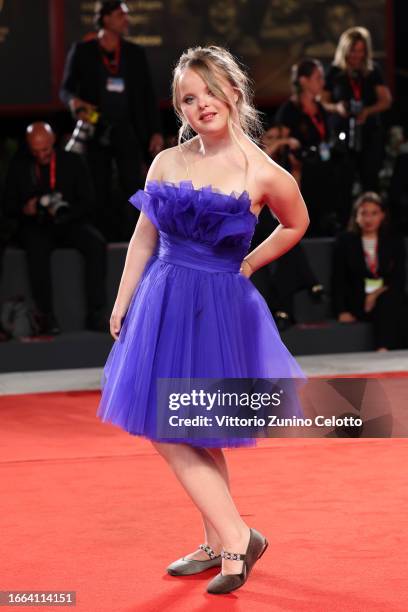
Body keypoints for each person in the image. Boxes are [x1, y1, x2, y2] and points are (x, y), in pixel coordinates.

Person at [96, 46, 309, 595]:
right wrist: (122, 301)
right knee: (185, 427)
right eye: (188, 99)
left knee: (179, 427)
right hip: (162, 301)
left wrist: (250, 262)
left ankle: (238, 537)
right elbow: (144, 237)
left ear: (234, 92)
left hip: (217, 308)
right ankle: (222, 540)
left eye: (210, 91)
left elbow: (296, 222)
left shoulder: (263, 172)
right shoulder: (167, 162)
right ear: (180, 109)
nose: (201, 104)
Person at [60, 0, 163, 241]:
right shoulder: (82, 51)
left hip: (127, 129)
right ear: (105, 18)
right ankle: (103, 238)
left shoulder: (135, 53)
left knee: (133, 184)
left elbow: (148, 96)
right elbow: (65, 91)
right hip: (96, 128)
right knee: (98, 185)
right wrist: (75, 104)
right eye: (120, 15)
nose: (126, 20)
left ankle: (137, 238)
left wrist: (156, 131)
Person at [2, 122, 107, 334]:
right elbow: (8, 205)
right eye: (36, 151)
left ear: (53, 143)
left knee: (96, 244)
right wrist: (27, 208)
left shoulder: (72, 162)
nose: (41, 155)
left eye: (45, 150)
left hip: (69, 222)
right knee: (36, 248)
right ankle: (46, 316)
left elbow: (88, 201)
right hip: (36, 226)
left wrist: (66, 211)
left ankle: (96, 314)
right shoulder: (20, 165)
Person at [322, 27, 392, 214]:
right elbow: (323, 100)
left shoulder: (372, 71)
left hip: (368, 134)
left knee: (370, 180)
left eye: (361, 50)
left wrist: (368, 111)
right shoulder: (335, 72)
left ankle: (373, 221)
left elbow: (386, 101)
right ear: (345, 50)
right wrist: (337, 108)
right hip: (343, 136)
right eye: (353, 50)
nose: (357, 55)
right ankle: (344, 225)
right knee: (343, 183)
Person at [268, 58, 341, 235]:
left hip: (324, 172)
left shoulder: (320, 108)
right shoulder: (289, 110)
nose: (323, 83)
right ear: (303, 81)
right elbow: (274, 146)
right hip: (301, 175)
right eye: (318, 78)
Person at [332, 191, 408, 351]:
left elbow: (399, 278)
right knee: (392, 307)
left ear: (382, 215)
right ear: (356, 216)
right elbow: (338, 279)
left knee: (389, 301)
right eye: (364, 213)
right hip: (359, 301)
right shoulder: (345, 241)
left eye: (374, 213)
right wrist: (341, 310)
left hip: (387, 296)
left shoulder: (394, 240)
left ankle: (383, 349)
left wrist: (375, 294)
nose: (368, 219)